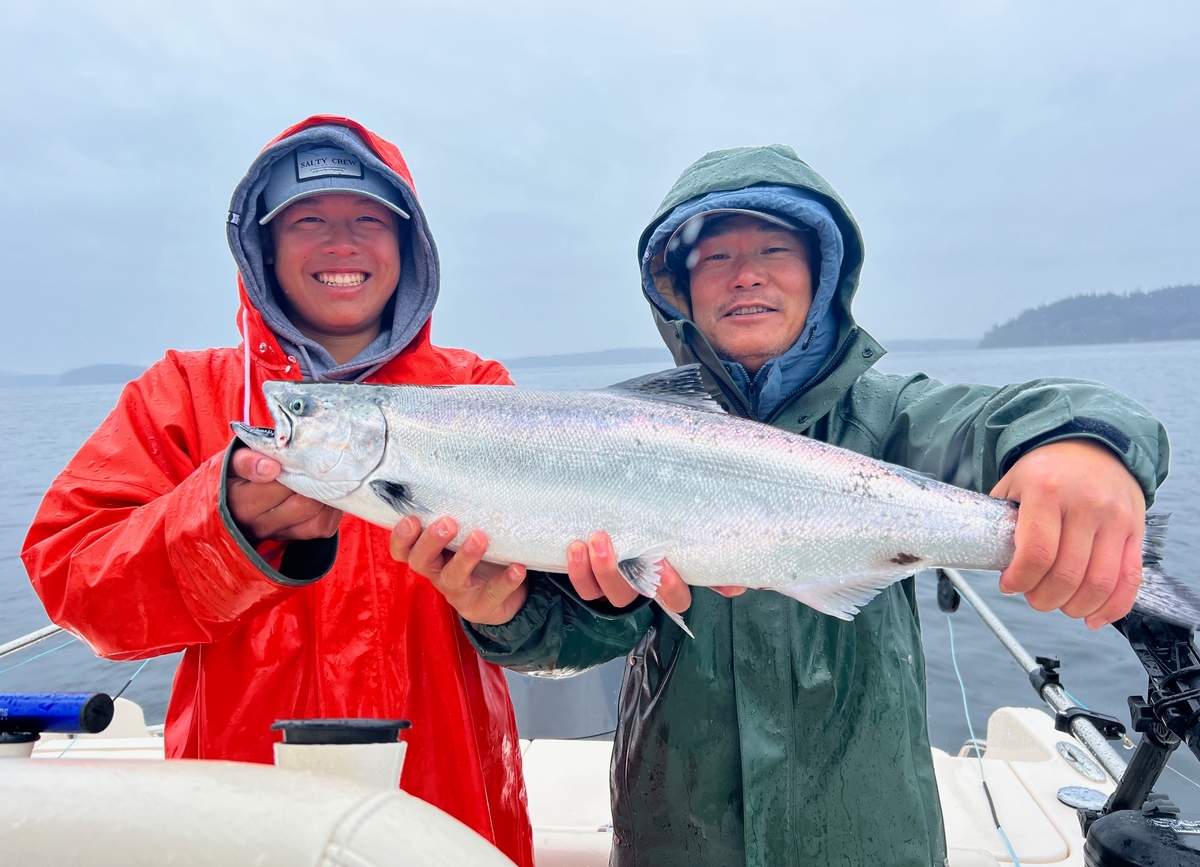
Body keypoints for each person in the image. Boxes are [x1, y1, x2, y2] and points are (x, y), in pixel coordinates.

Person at [391, 144, 1168, 865]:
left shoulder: (892, 417)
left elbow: (1018, 416)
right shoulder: (630, 433)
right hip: (677, 828)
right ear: (681, 291)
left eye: (773, 252)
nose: (746, 275)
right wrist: (497, 611)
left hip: (870, 827)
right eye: (718, 258)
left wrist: (1085, 444)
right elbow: (577, 635)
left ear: (821, 274)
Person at [21, 115, 534, 866]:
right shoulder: (182, 394)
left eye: (369, 220)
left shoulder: (477, 391)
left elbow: (551, 594)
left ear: (408, 246)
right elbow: (71, 575)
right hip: (238, 819)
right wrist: (220, 526)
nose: (341, 244)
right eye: (307, 221)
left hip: (449, 804)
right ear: (262, 249)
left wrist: (510, 600)